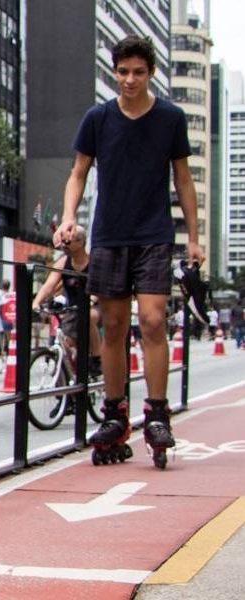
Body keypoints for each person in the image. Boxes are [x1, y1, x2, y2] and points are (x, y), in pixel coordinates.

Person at [55, 35, 205, 457]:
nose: (130, 80)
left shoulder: (170, 118)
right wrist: (70, 217)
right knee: (115, 326)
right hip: (109, 234)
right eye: (123, 72)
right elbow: (78, 172)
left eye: (138, 72)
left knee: (154, 322)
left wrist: (193, 239)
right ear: (114, 72)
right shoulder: (98, 118)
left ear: (151, 72)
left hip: (154, 234)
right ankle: (115, 414)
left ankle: (157, 414)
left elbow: (183, 180)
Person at [31, 224, 103, 378]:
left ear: (81, 242)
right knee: (66, 342)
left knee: (89, 317)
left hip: (94, 306)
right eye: (63, 242)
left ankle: (97, 358)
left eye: (68, 242)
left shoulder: (93, 263)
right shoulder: (63, 263)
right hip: (72, 309)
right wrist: (36, 302)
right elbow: (49, 285)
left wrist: (92, 299)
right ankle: (69, 378)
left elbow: (99, 287)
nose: (64, 246)